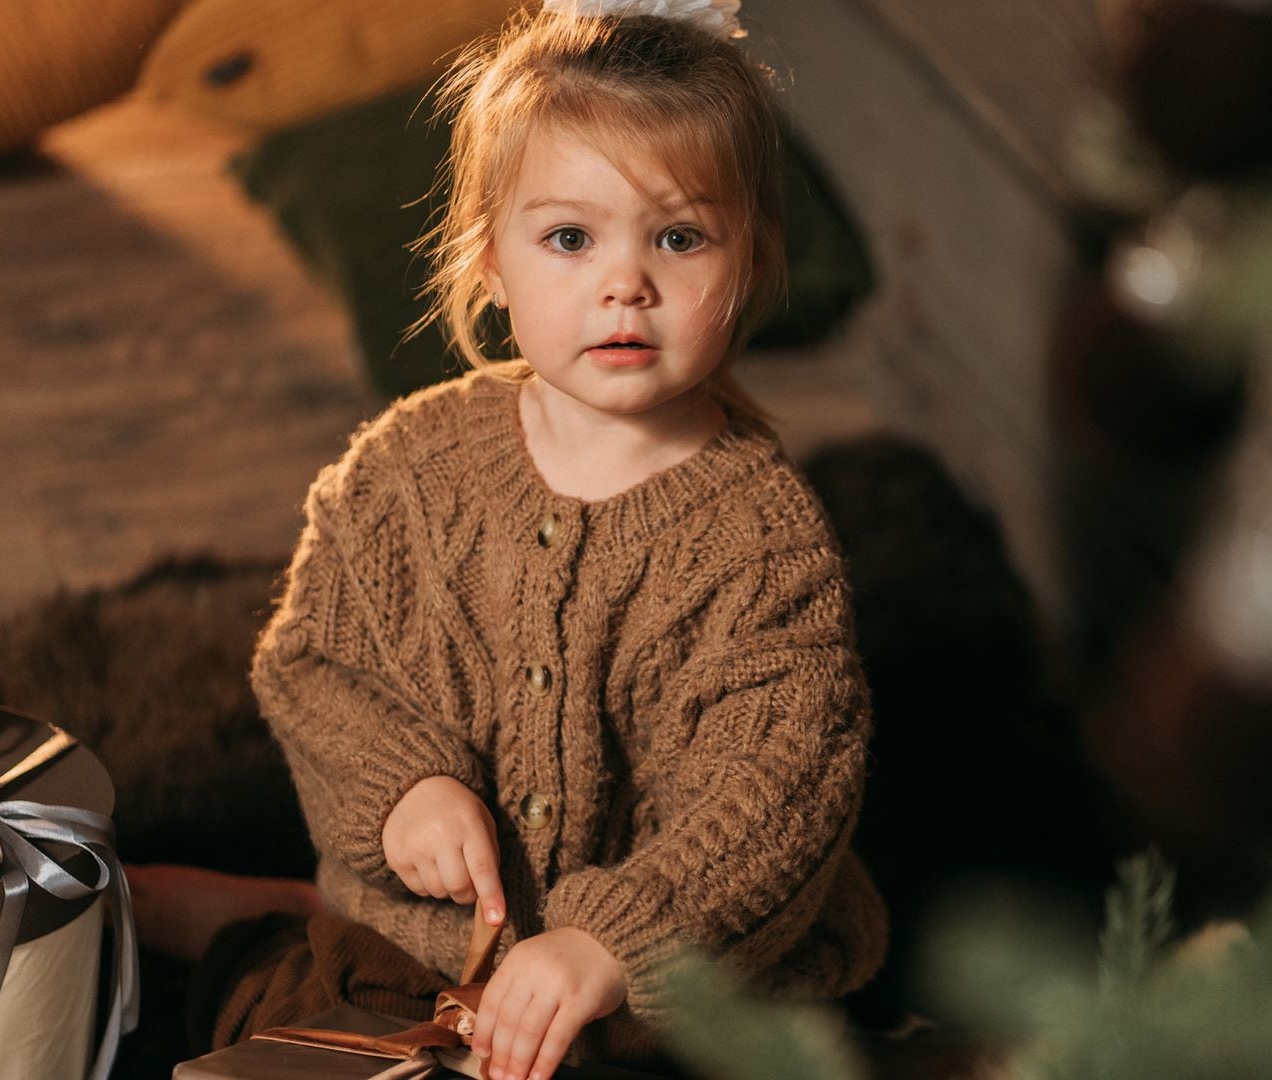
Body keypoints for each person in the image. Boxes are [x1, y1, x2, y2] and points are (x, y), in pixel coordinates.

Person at [130, 3, 887, 1076]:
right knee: (294, 1021)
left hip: (657, 999)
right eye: (570, 239)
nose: (624, 283)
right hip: (424, 945)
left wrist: (609, 945)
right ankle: (256, 925)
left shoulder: (764, 543)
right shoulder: (411, 466)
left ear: (752, 258)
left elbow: (777, 793)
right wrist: (403, 788)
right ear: (489, 261)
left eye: (677, 237)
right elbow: (313, 662)